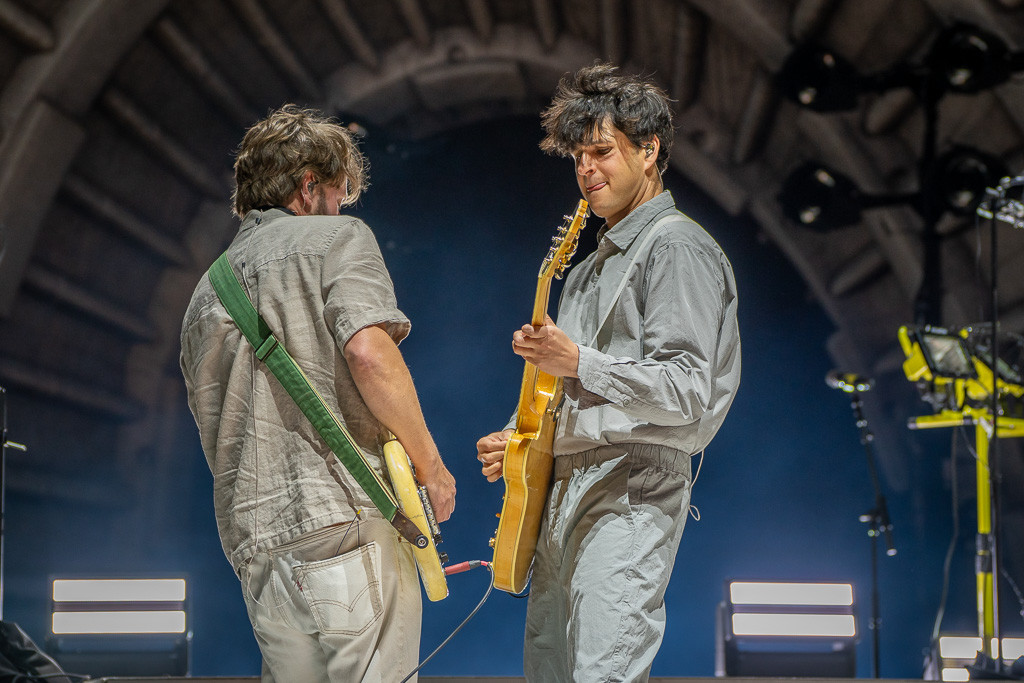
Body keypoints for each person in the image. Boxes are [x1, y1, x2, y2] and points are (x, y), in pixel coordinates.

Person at [476, 63, 741, 682]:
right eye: (577, 157)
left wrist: (577, 360)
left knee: (605, 671)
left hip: (632, 484)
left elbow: (686, 392)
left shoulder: (676, 246)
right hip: (566, 487)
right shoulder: (592, 265)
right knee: (551, 672)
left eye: (602, 151)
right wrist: (518, 437)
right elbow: (574, 388)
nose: (586, 170)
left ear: (650, 151)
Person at [180, 104, 455, 683]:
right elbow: (367, 352)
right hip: (343, 520)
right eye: (337, 193)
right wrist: (431, 467)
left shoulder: (204, 295)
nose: (339, 208)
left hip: (255, 544)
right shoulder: (337, 239)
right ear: (308, 185)